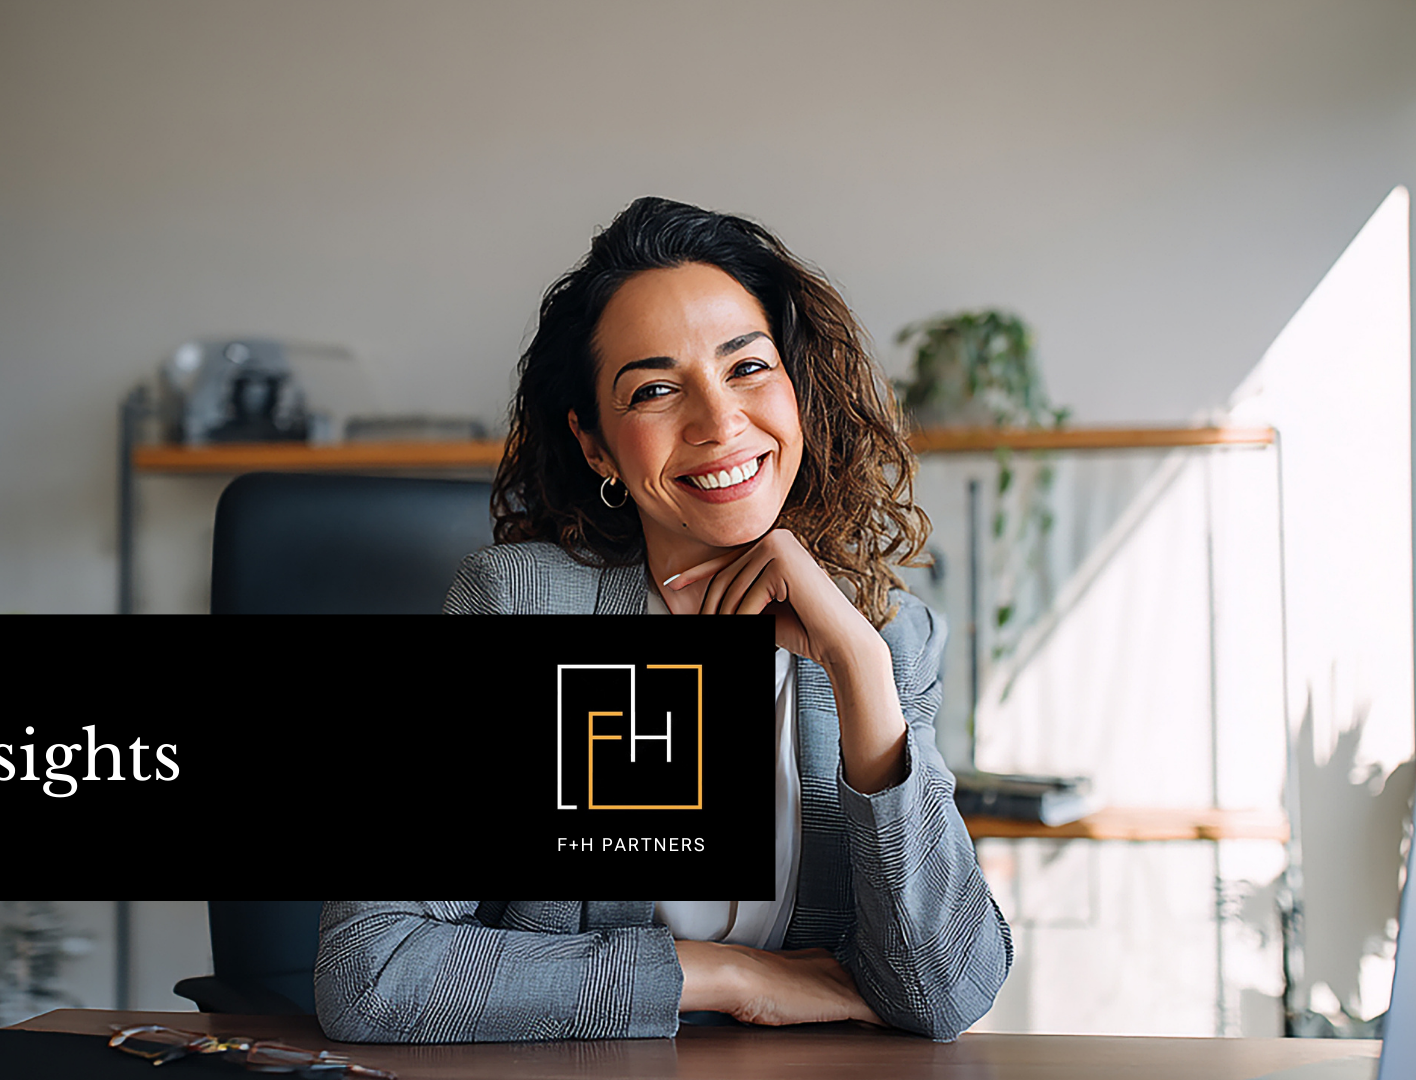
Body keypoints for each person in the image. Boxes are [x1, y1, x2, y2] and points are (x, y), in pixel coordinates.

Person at [314, 197, 1012, 1043]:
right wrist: (724, 975)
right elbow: (371, 972)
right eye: (653, 389)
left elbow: (944, 993)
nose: (720, 424)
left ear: (798, 391)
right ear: (597, 446)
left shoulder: (891, 638)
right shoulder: (524, 608)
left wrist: (860, 669)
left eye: (748, 368)